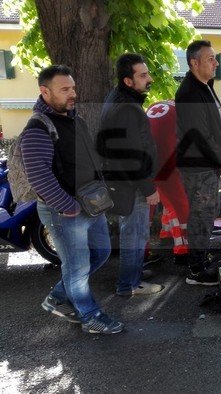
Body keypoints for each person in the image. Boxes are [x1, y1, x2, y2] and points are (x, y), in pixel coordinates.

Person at [25, 65, 123, 334]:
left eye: (73, 88)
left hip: (91, 205)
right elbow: (38, 175)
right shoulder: (38, 128)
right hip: (65, 211)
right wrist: (67, 206)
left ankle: (57, 298)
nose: (72, 94)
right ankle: (89, 316)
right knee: (77, 267)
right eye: (65, 89)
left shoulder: (73, 119)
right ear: (45, 91)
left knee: (101, 253)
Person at [98, 53, 163, 296]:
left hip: (126, 181)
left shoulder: (121, 99)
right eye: (143, 75)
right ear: (128, 81)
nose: (150, 79)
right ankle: (129, 284)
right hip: (133, 184)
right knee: (134, 235)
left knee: (134, 233)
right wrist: (149, 189)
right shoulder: (126, 108)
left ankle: (133, 274)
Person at [175, 40, 221, 285]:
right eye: (210, 59)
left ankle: (200, 257)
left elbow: (218, 127)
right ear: (194, 63)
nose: (216, 63)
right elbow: (200, 135)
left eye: (215, 58)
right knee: (201, 216)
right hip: (197, 167)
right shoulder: (190, 93)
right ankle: (196, 271)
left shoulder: (204, 86)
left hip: (206, 165)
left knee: (208, 212)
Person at [146, 100, 190, 266]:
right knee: (180, 205)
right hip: (166, 161)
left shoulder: (157, 106)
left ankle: (161, 239)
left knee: (151, 209)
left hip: (146, 160)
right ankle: (183, 252)